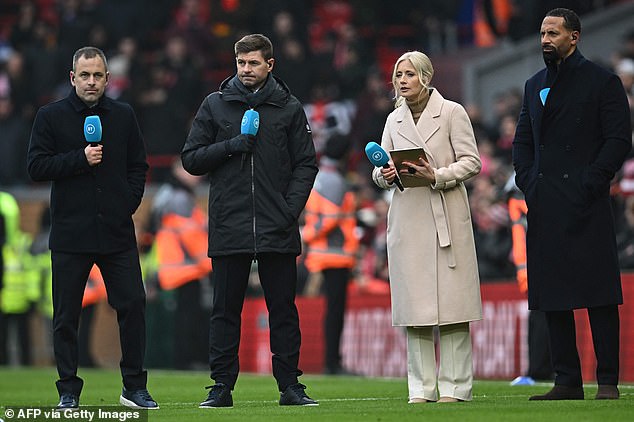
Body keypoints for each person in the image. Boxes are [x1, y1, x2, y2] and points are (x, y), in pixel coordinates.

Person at [181, 33, 318, 407]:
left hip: (278, 224)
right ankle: (221, 387)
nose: (245, 70)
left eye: (253, 63)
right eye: (241, 63)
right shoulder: (215, 105)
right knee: (225, 311)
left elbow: (307, 163)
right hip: (230, 223)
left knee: (283, 310)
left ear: (270, 65)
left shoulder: (289, 108)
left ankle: (290, 386)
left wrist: (289, 210)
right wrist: (231, 145)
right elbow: (191, 159)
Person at [26, 46, 158, 410]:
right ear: (72, 78)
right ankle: (68, 390)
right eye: (84, 75)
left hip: (116, 232)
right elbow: (36, 167)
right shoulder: (50, 116)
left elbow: (138, 166)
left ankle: (134, 386)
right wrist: (79, 160)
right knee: (66, 315)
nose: (91, 81)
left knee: (133, 305)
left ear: (107, 78)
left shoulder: (124, 115)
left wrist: (127, 203)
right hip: (71, 233)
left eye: (98, 75)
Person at [512, 8, 632, 401]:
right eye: (542, 33)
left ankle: (608, 381)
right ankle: (566, 381)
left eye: (553, 33)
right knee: (552, 295)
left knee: (598, 295)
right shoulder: (533, 85)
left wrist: (591, 182)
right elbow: (523, 142)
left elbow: (618, 140)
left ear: (574, 37)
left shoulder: (602, 81)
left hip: (587, 203)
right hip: (545, 203)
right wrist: (528, 181)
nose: (545, 39)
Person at [371, 51, 482, 403]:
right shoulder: (393, 119)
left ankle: (455, 388)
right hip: (409, 218)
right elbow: (380, 170)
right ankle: (420, 389)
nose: (402, 81)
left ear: (426, 76)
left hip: (446, 213)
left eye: (409, 74)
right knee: (415, 310)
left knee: (453, 308)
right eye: (398, 75)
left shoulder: (452, 112)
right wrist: (385, 174)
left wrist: (438, 175)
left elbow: (472, 161)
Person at [302, 133, 359, 375]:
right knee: (336, 310)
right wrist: (308, 235)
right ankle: (332, 362)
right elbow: (332, 218)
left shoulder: (319, 176)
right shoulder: (335, 180)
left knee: (332, 309)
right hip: (335, 254)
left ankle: (332, 361)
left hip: (322, 253)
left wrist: (307, 235)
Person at [506, 176, 553, 386]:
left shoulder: (519, 206)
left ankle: (540, 370)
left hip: (538, 270)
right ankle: (542, 369)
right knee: (544, 319)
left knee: (542, 319)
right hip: (539, 270)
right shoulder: (526, 205)